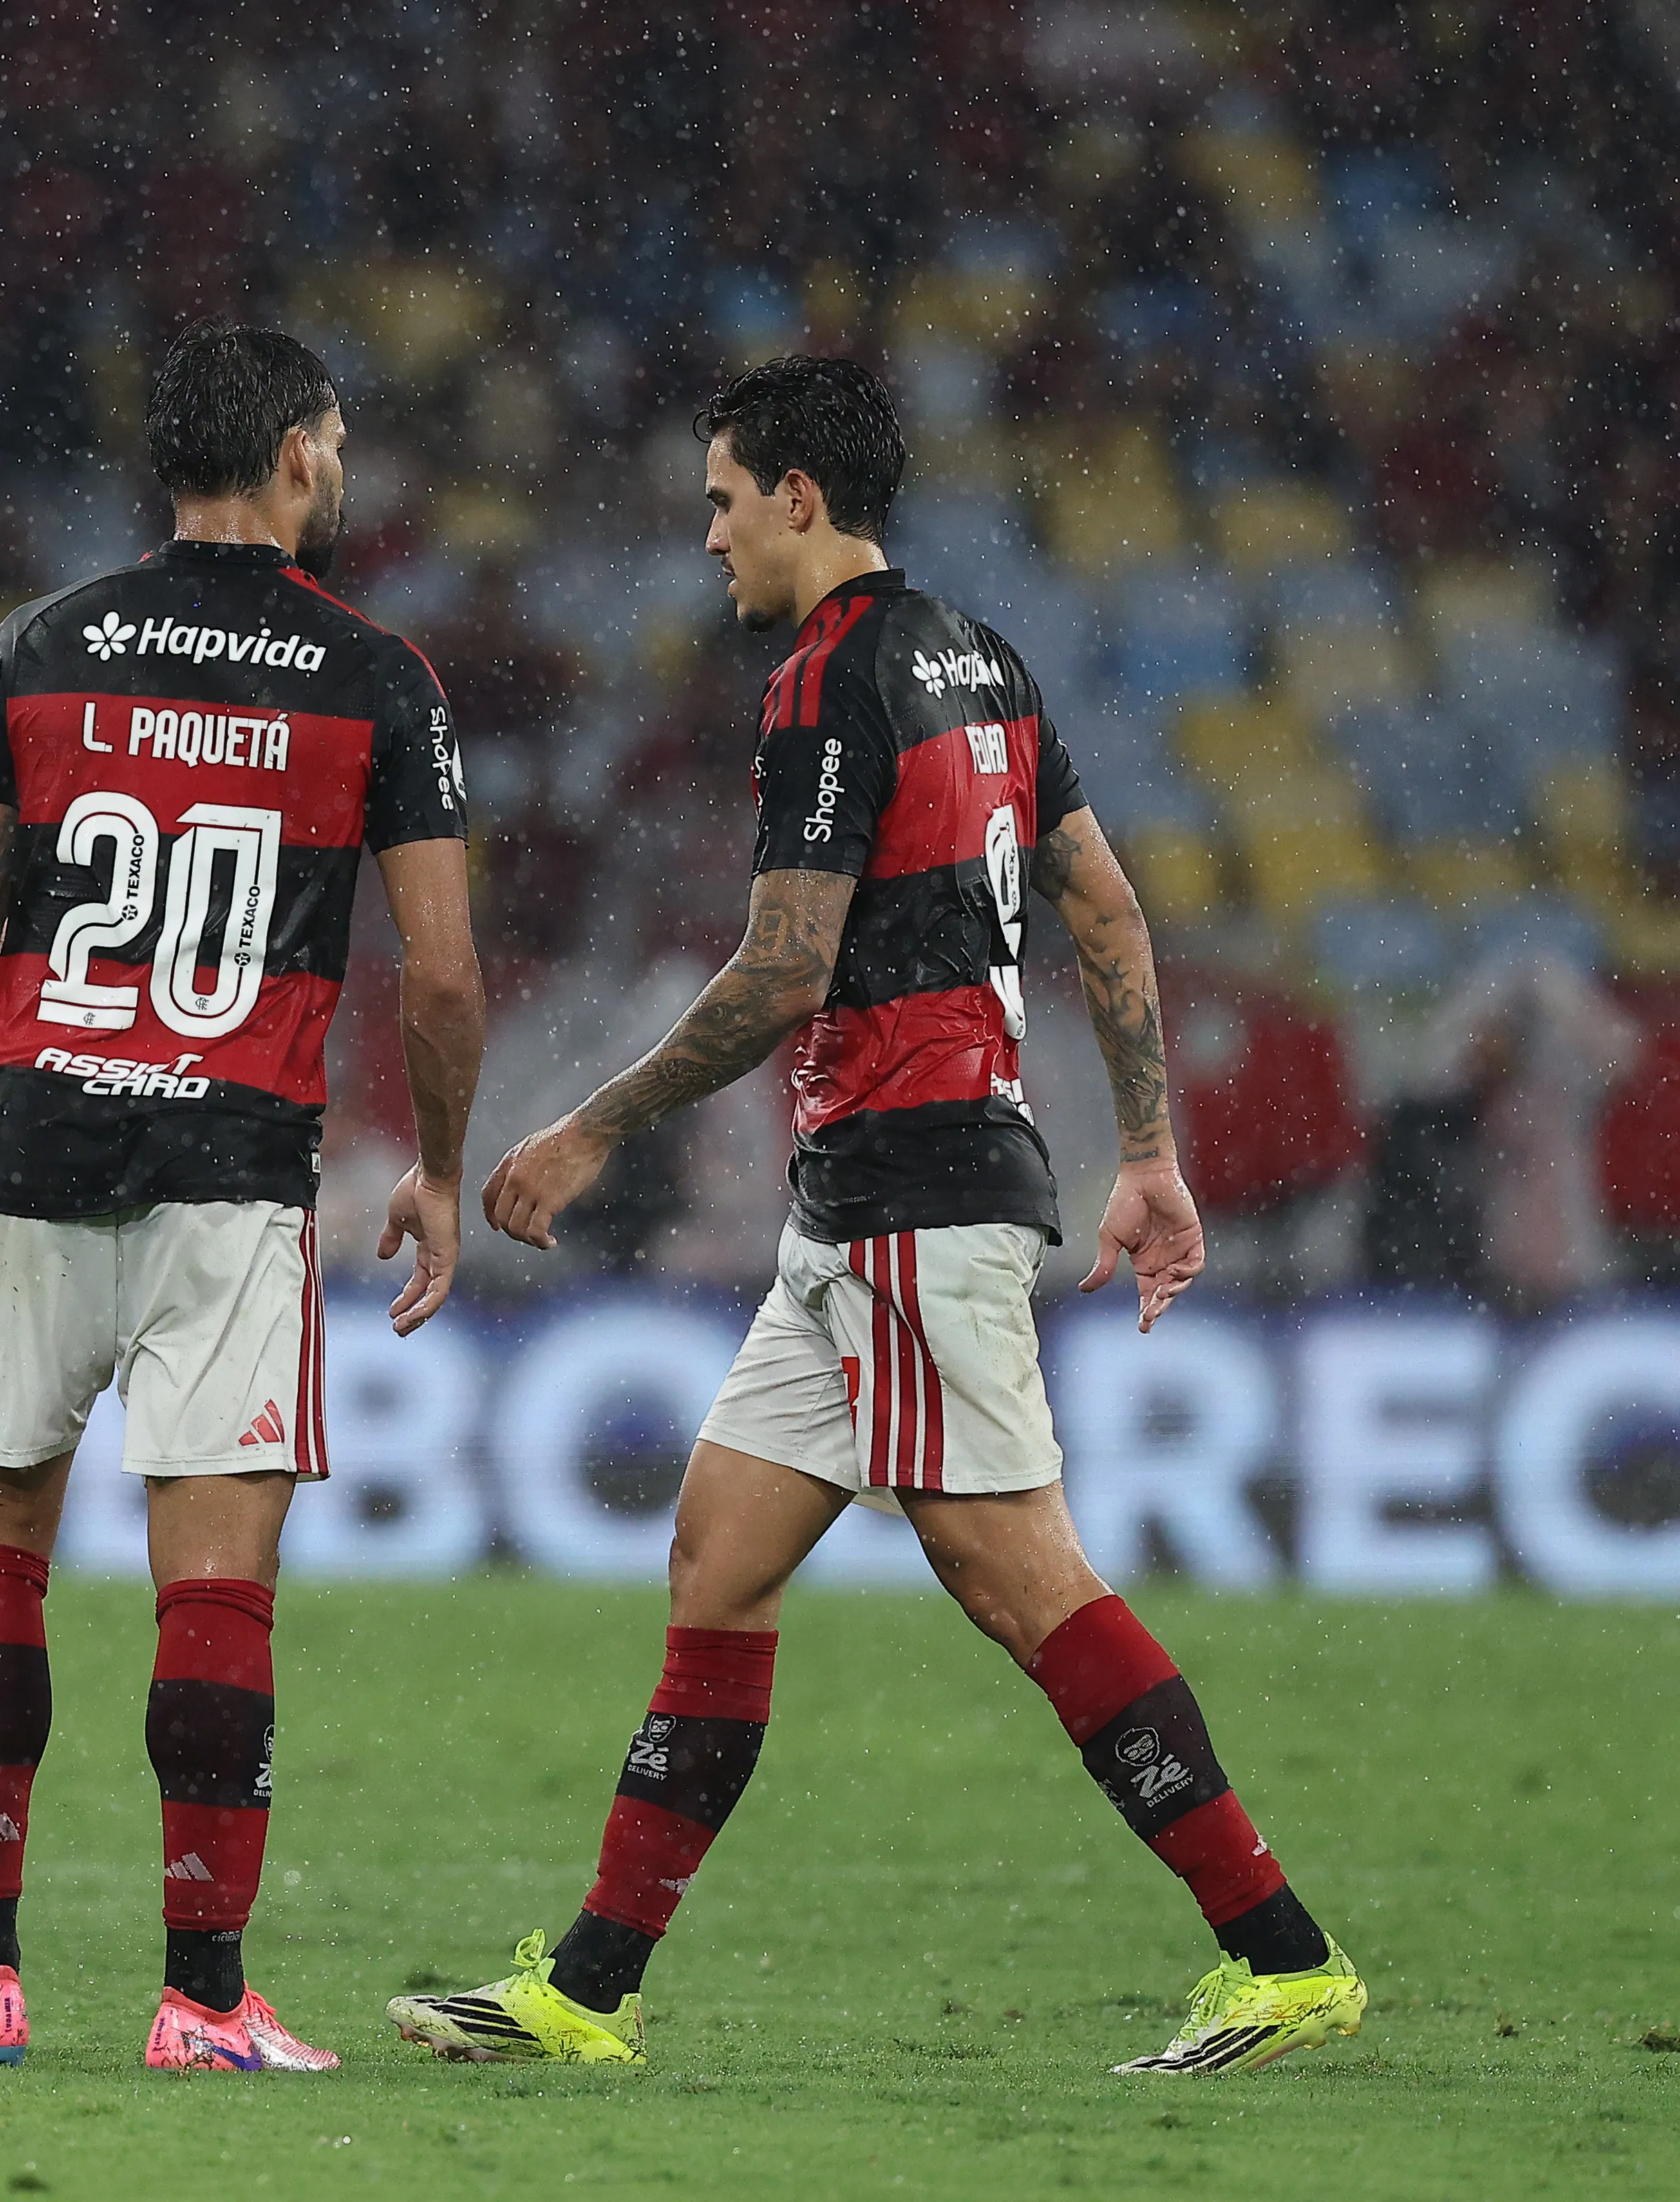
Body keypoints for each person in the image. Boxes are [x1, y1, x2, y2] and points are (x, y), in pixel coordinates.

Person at [386, 357, 1366, 2077]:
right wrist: (1145, 1152)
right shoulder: (979, 659)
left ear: (794, 495)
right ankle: (590, 1990)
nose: (705, 539)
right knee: (720, 1552)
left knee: (1018, 1580)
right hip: (873, 1199)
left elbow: (786, 962)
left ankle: (1280, 1954)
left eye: (716, 501)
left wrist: (595, 1127)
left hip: (918, 1189)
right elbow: (1107, 910)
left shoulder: (828, 679)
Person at [0, 326, 483, 2075]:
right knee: (210, 1596)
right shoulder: (374, 676)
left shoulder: (37, 645)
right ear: (301, 456)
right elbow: (439, 983)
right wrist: (442, 1168)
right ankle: (201, 1999)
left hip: (31, 1150)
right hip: (229, 1173)